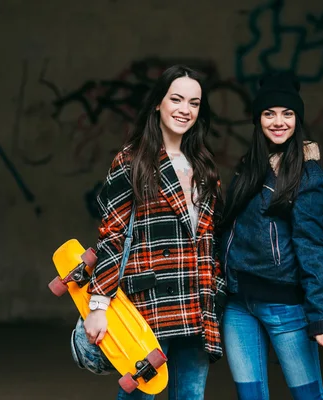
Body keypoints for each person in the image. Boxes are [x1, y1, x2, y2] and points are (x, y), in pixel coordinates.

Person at [84, 64, 226, 400]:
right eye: (176, 99)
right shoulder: (132, 161)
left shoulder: (204, 163)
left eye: (194, 103)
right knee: (139, 395)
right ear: (157, 104)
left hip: (196, 302)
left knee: (190, 397)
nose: (185, 110)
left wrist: (216, 286)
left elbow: (210, 237)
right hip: (149, 303)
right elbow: (113, 233)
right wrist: (99, 304)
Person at [219, 71, 323, 400]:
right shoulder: (249, 167)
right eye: (269, 113)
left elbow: (313, 248)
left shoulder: (309, 177)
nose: (278, 121)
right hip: (238, 306)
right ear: (258, 119)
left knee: (309, 397)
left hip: (285, 307)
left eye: (287, 113)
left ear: (297, 119)